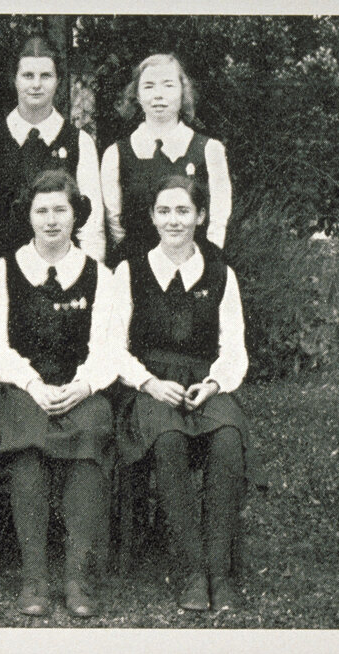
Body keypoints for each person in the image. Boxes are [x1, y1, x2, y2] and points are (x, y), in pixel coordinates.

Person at [109, 174, 262, 612]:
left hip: (204, 384)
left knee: (229, 440)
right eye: (164, 211)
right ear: (152, 217)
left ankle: (220, 571)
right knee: (169, 441)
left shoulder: (219, 274)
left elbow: (235, 349)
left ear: (200, 216)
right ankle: (194, 570)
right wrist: (149, 382)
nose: (173, 220)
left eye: (182, 211)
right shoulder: (131, 271)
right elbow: (112, 348)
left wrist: (214, 382)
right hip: (150, 387)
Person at [0, 169, 115, 617]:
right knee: (29, 450)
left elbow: (107, 347)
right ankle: (35, 578)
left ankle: (78, 577)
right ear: (29, 215)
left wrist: (83, 386)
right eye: (42, 210)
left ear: (76, 214)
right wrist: (33, 384)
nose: (52, 219)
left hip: (80, 385)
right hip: (23, 387)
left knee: (91, 435)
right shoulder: (3, 270)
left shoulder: (99, 275)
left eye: (61, 209)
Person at [0, 35, 104, 266]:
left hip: (63, 277)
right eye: (27, 76)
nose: (36, 85)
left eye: (46, 76)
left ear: (58, 80)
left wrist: (89, 278)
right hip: (0, 277)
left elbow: (91, 229)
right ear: (14, 79)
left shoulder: (80, 142)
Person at [100, 53, 231, 268]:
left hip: (194, 269)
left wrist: (205, 267)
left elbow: (218, 222)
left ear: (182, 93)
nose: (158, 95)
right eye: (149, 86)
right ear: (137, 95)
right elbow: (116, 224)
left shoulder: (210, 150)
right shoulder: (115, 154)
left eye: (168, 86)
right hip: (136, 269)